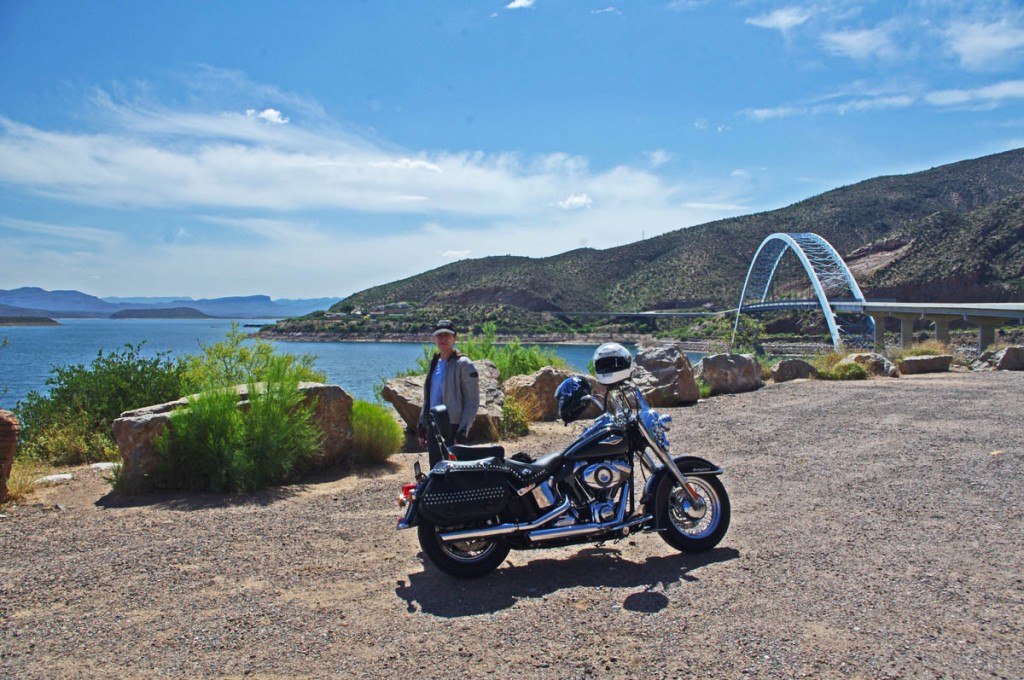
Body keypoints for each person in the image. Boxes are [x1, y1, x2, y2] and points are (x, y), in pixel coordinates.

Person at [417, 319, 480, 468]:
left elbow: (472, 401)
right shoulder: (434, 362)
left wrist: (463, 430)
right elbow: (429, 397)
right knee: (436, 470)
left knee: (454, 472)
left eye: (447, 335)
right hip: (434, 425)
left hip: (453, 427)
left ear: (455, 338)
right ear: (434, 339)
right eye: (439, 336)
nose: (443, 339)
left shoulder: (464, 364)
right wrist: (422, 425)